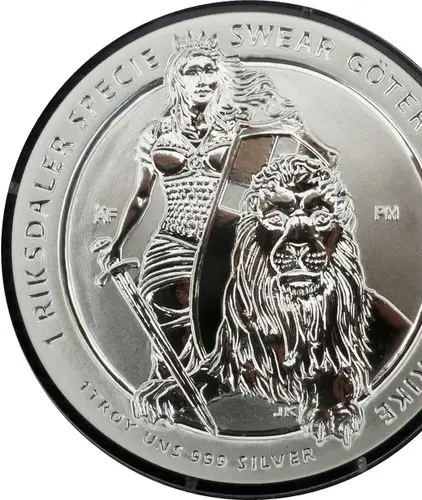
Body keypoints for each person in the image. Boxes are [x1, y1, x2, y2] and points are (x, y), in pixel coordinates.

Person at [99, 31, 295, 424]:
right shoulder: (156, 133)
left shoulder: (236, 130)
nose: (203, 78)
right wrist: (118, 243)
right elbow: (141, 196)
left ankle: (203, 400)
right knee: (165, 331)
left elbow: (262, 185)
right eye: (192, 71)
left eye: (209, 70)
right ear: (177, 80)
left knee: (213, 330)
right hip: (168, 244)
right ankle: (165, 406)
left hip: (220, 247)